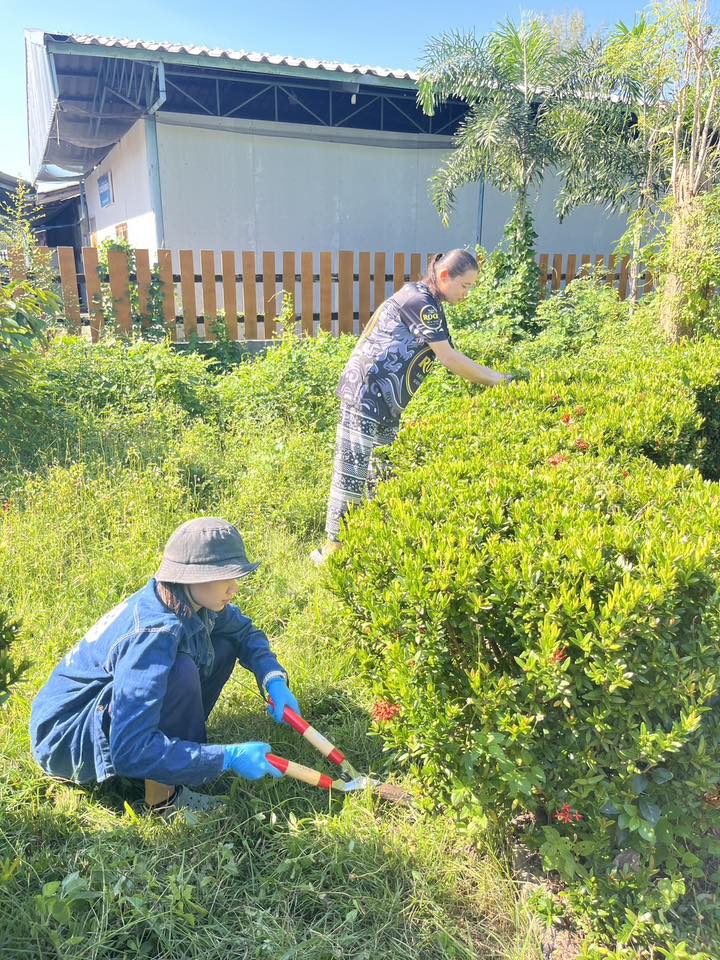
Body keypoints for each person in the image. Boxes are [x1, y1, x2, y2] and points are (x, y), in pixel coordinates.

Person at [30, 517, 299, 815]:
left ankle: (171, 751)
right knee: (179, 672)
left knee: (223, 644)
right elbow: (129, 749)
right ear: (195, 576)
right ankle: (163, 802)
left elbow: (244, 633)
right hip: (67, 740)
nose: (234, 587)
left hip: (97, 715)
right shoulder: (154, 636)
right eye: (226, 577)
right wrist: (226, 758)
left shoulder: (185, 599)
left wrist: (272, 679)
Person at [310, 249, 513, 564]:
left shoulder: (430, 303)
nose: (467, 293)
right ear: (444, 276)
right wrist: (499, 380)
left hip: (385, 402)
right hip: (365, 393)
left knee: (381, 471)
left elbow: (450, 354)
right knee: (353, 470)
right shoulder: (419, 300)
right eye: (465, 285)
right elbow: (449, 358)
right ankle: (333, 552)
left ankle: (370, 542)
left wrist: (494, 377)